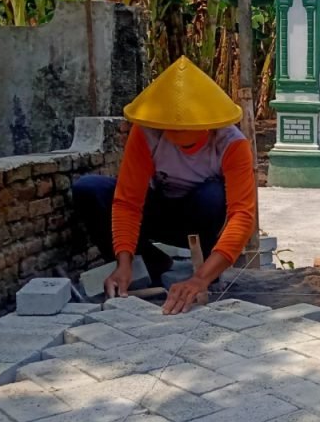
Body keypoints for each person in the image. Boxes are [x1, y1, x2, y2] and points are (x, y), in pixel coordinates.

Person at [72, 56, 257, 315]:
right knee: (90, 189)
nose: (176, 137)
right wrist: (122, 261)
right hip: (159, 212)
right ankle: (147, 264)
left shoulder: (231, 144)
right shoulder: (147, 132)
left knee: (212, 195)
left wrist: (200, 279)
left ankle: (208, 269)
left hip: (202, 219)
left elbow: (242, 215)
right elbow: (128, 202)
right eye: (171, 129)